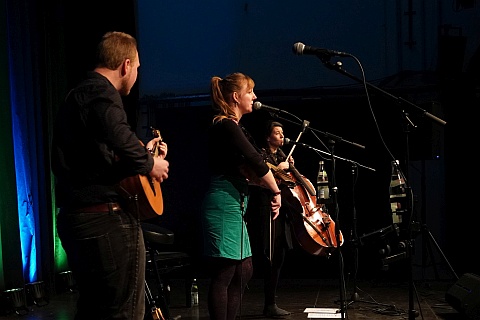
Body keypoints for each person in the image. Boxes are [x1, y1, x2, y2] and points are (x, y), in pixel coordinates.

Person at [51, 31, 169, 320]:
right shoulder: (103, 92)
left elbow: (99, 156)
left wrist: (143, 153)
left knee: (94, 309)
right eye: (138, 68)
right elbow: (117, 135)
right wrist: (150, 164)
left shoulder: (77, 94)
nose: (137, 74)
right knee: (123, 312)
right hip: (104, 219)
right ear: (125, 65)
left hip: (76, 217)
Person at [201, 72, 282, 320]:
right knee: (226, 272)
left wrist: (269, 184)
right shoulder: (225, 124)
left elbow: (249, 168)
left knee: (243, 270)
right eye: (250, 92)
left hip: (235, 203)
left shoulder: (235, 127)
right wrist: (275, 190)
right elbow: (256, 162)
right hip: (223, 204)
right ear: (236, 97)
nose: (255, 97)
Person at [246, 121, 303, 317]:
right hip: (268, 208)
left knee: (280, 254)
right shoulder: (262, 155)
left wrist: (291, 168)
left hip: (284, 209)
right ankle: (268, 303)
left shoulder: (283, 156)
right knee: (270, 254)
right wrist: (280, 168)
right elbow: (261, 176)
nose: (281, 136)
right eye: (277, 133)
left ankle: (271, 301)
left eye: (282, 133)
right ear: (268, 137)